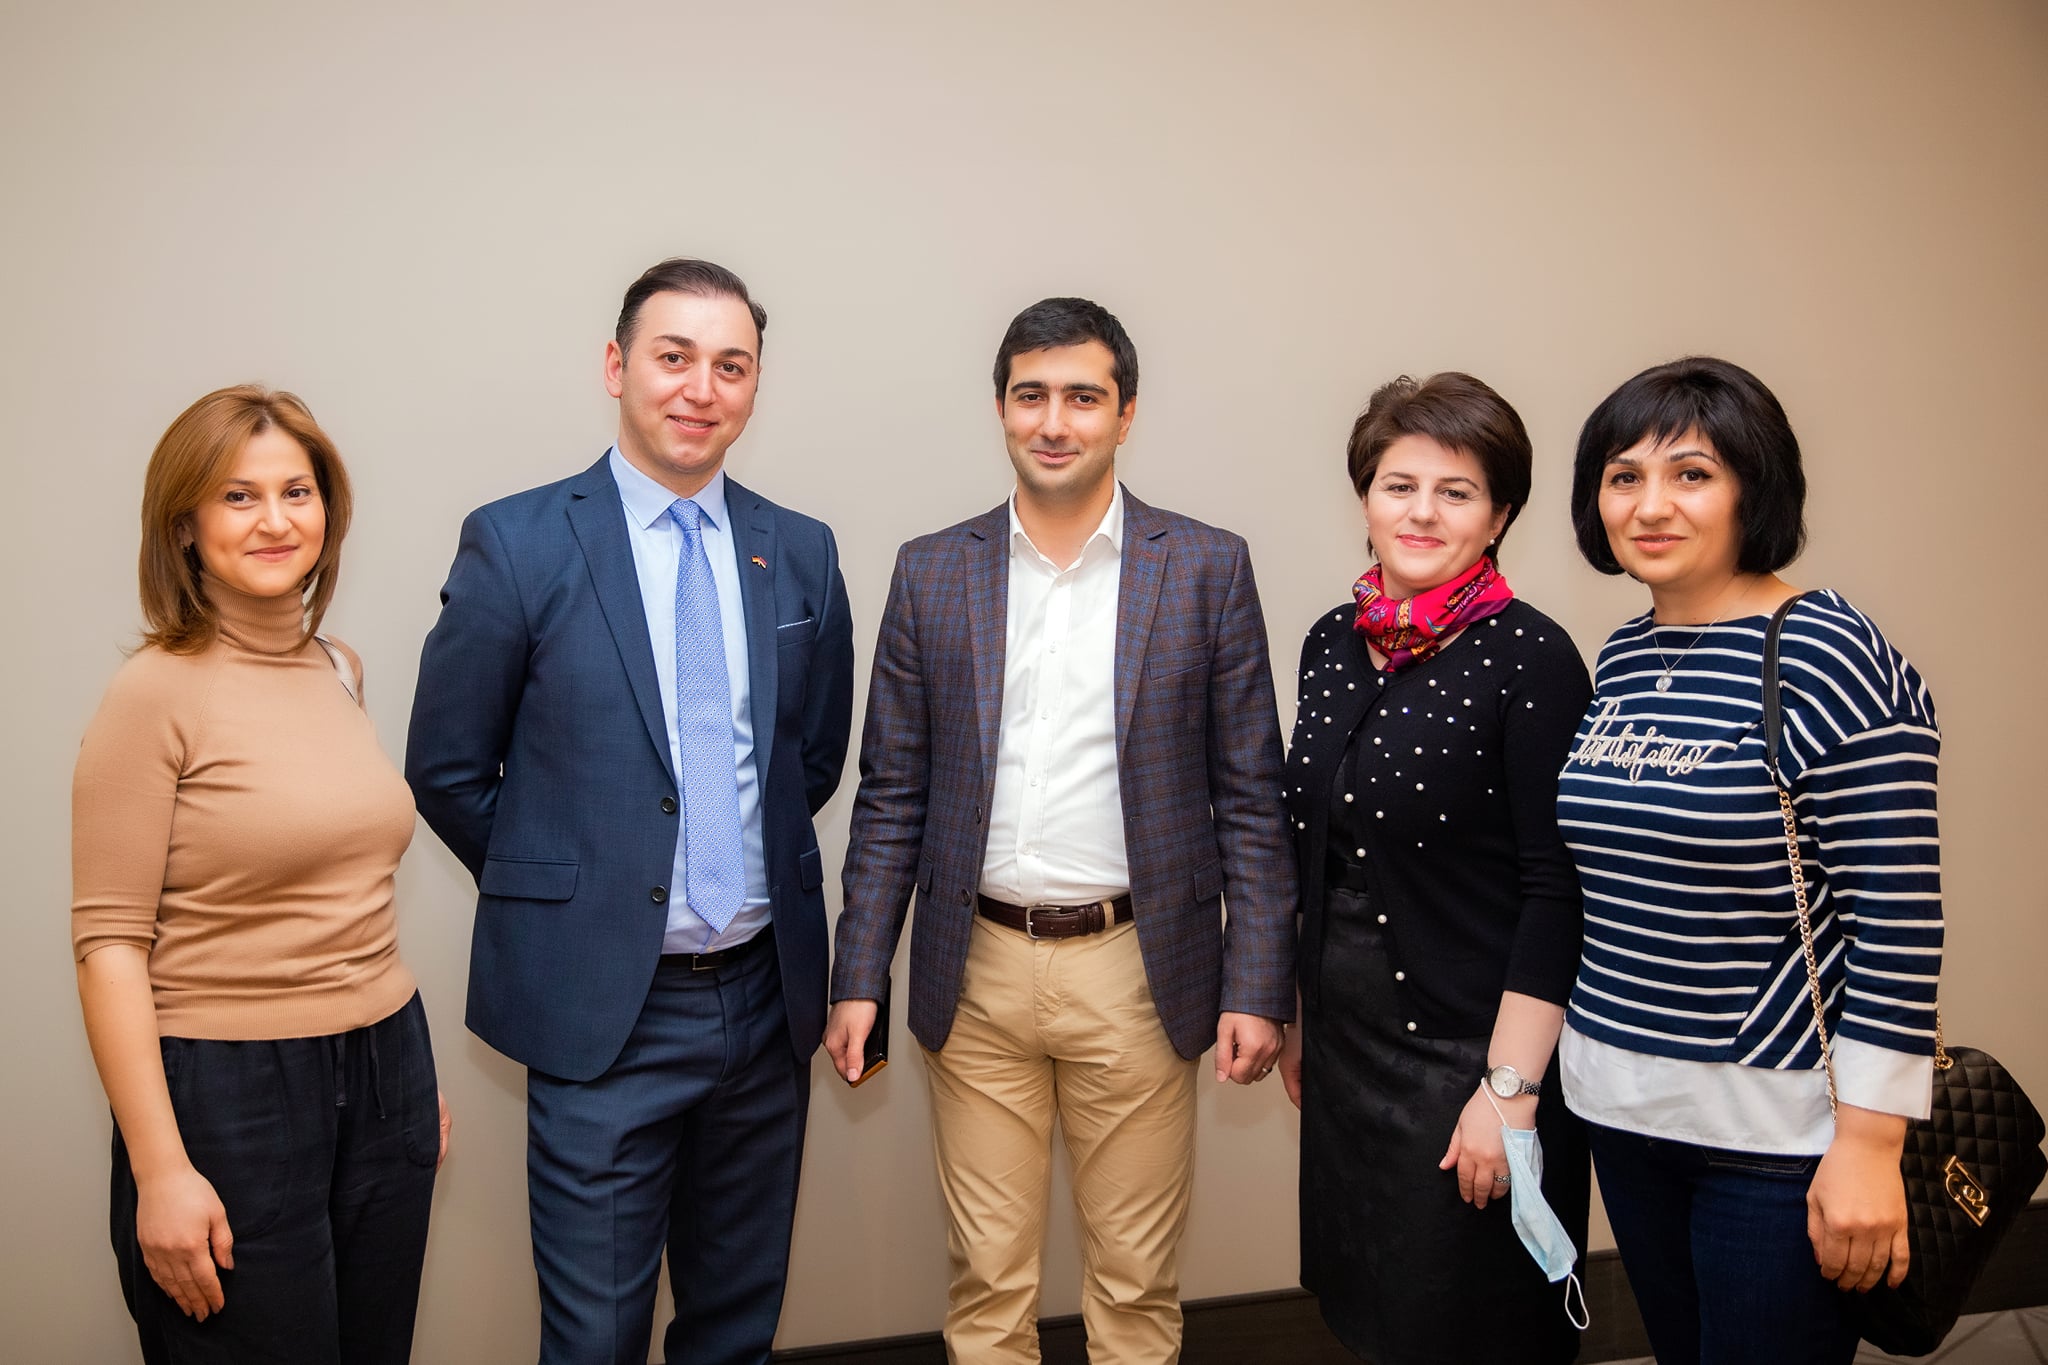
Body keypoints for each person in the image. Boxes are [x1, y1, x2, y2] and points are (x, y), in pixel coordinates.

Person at [824, 297, 1297, 1365]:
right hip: (974, 971)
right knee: (986, 1284)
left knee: (1133, 1287)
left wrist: (1258, 983)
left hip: (1139, 972)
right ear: (999, 407)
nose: (1053, 421)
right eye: (1030, 395)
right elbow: (891, 792)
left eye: (1082, 397)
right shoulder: (932, 570)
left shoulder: (1205, 567)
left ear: (1125, 414)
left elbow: (1249, 795)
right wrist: (860, 975)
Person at [405, 258, 855, 1365]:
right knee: (595, 1338)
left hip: (764, 1004)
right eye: (674, 357)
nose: (701, 388)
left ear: (755, 387)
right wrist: (571, 893)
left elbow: (809, 760)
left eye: (731, 365)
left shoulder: (799, 549)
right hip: (604, 1013)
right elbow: (448, 769)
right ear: (616, 367)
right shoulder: (519, 542)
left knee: (735, 1327)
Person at [1555, 356, 1941, 1365]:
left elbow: (1897, 918)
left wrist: (1870, 1146)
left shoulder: (1826, 652)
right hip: (1620, 1107)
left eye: (1691, 473)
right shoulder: (1623, 655)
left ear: (1752, 489)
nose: (1649, 505)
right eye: (1623, 476)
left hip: (1775, 1136)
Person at [72, 386, 446, 1364]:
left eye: (296, 491)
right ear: (185, 527)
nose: (276, 520)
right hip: (225, 1089)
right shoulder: (152, 693)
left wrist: (400, 1085)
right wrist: (161, 1170)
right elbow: (108, 945)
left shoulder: (340, 669)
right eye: (238, 497)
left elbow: (344, 879)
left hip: (386, 1064)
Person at [1273, 373, 1593, 1363]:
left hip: (1469, 1058)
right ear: (1364, 498)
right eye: (1398, 485)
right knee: (1370, 1312)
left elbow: (1558, 891)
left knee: (1467, 1322)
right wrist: (1299, 1016)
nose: (1420, 512)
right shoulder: (1332, 642)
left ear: (1498, 516)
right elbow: (1315, 847)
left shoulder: (1533, 659)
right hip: (1346, 1047)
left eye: (1455, 492)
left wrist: (1508, 1090)